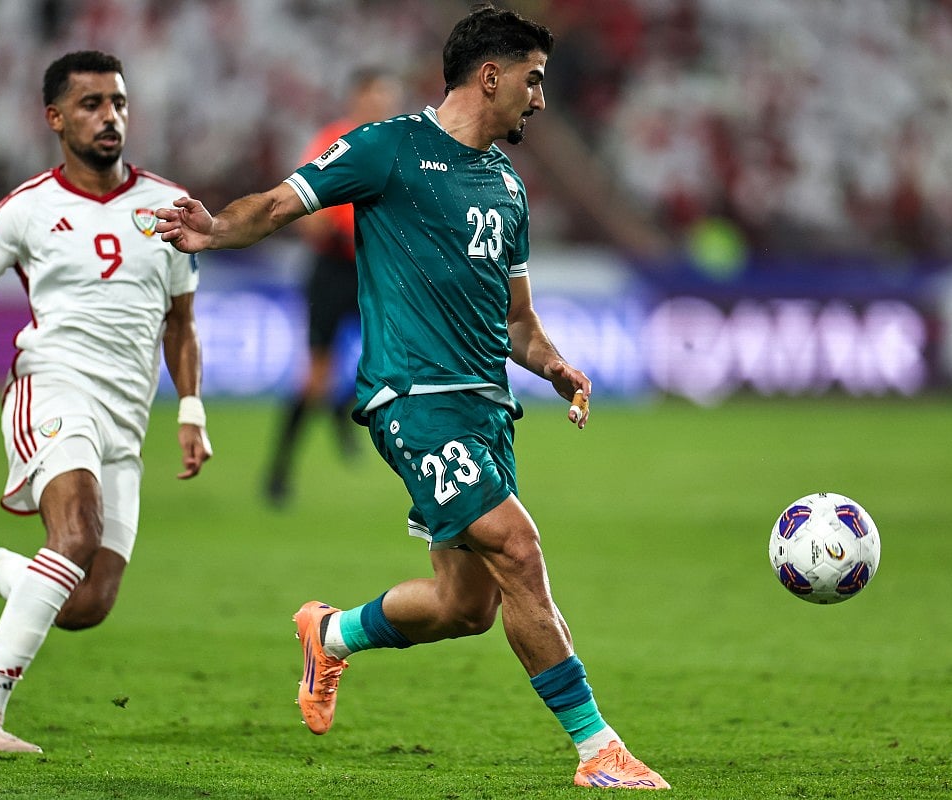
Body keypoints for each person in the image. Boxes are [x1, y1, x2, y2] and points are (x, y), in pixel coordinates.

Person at [157, 5, 669, 790]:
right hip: (413, 399)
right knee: (518, 549)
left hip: (486, 409)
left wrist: (558, 368)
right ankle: (598, 748)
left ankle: (331, 633)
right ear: (489, 76)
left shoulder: (506, 187)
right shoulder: (386, 149)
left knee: (468, 606)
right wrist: (212, 231)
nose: (540, 100)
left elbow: (518, 324)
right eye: (532, 83)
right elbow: (275, 205)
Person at [0, 50, 213, 753]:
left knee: (85, 604)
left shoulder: (168, 207)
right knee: (75, 536)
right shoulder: (25, 209)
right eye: (91, 104)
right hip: (54, 385)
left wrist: (191, 409)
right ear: (55, 118)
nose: (109, 117)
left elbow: (181, 322)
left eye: (118, 103)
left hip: (127, 417)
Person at [264, 68, 401, 506]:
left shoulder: (398, 145)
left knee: (386, 360)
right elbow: (306, 210)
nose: (379, 107)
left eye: (385, 99)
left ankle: (344, 413)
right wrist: (344, 234)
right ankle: (279, 470)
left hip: (374, 270)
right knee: (316, 373)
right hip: (333, 268)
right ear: (356, 100)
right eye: (373, 99)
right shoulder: (334, 141)